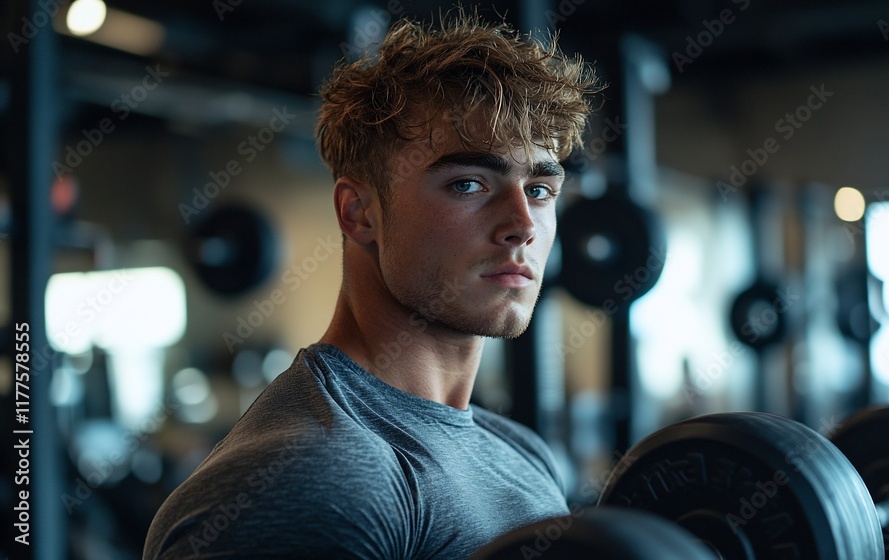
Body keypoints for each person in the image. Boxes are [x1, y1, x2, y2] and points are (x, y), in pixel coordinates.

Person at [143, 9, 599, 559]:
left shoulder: (521, 453)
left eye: (541, 189)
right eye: (469, 183)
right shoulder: (313, 476)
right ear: (359, 212)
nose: (523, 225)